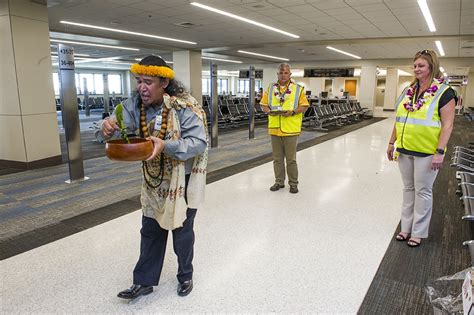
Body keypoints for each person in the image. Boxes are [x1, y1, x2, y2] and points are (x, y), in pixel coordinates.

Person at [96, 55, 208, 300]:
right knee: (150, 230)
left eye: (148, 82)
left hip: (183, 180)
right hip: (154, 179)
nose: (141, 88)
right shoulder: (135, 104)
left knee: (181, 231)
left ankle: (185, 275)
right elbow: (112, 126)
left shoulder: (184, 106)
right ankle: (144, 282)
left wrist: (165, 145)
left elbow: (199, 143)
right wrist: (105, 126)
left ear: (164, 83)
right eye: (139, 81)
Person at [387, 49, 456, 247]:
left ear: (431, 67)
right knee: (408, 189)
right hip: (405, 149)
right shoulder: (408, 91)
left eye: (421, 66)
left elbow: (448, 125)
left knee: (423, 191)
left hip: (427, 151)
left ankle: (418, 232)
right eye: (415, 65)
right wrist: (392, 142)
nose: (416, 69)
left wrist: (440, 152)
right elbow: (398, 120)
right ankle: (405, 228)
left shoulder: (444, 92)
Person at [260, 63, 309, 194]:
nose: (283, 75)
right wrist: (267, 111)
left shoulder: (298, 89)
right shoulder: (270, 88)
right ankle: (279, 182)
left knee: (291, 159)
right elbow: (264, 104)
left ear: (290, 74)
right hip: (275, 128)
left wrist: (293, 112)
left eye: (286, 73)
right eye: (281, 73)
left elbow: (304, 106)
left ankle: (293, 183)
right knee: (277, 159)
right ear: (277, 74)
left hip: (290, 129)